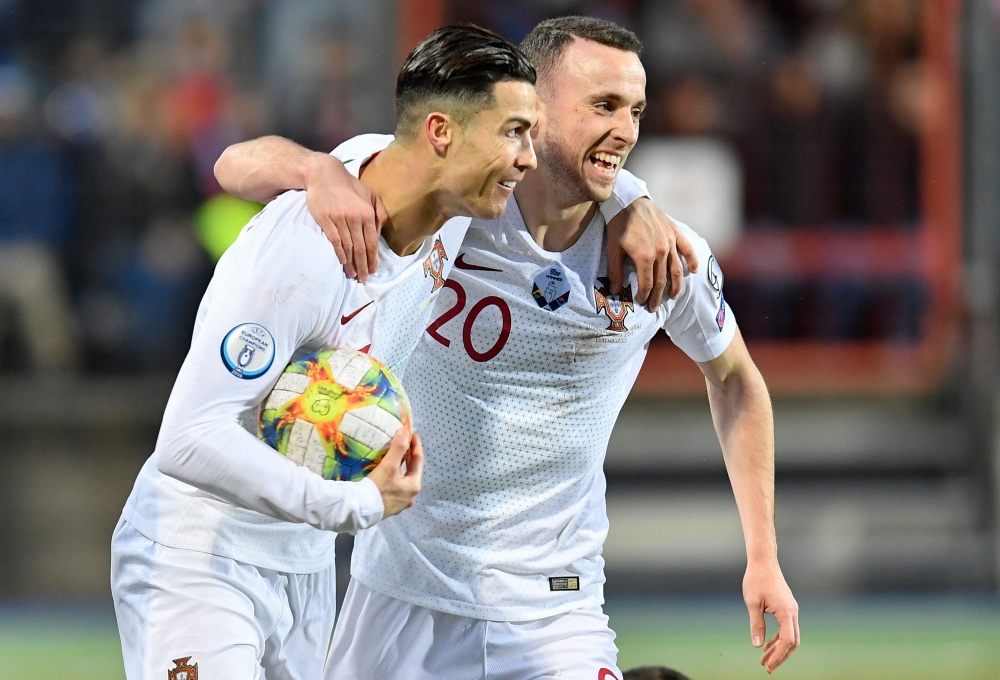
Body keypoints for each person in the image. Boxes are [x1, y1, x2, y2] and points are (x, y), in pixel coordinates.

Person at [217, 16, 800, 679]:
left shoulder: (665, 257)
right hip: (402, 599)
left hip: (556, 614)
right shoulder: (449, 193)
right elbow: (235, 164)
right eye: (603, 105)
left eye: (636, 110)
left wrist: (763, 556)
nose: (627, 131)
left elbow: (736, 380)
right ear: (533, 109)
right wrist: (317, 170)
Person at [110, 25, 541, 680]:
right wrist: (357, 507)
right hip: (199, 558)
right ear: (441, 132)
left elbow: (237, 163)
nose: (529, 156)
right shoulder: (306, 253)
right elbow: (188, 440)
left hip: (304, 567)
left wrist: (637, 205)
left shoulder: (433, 200)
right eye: (513, 132)